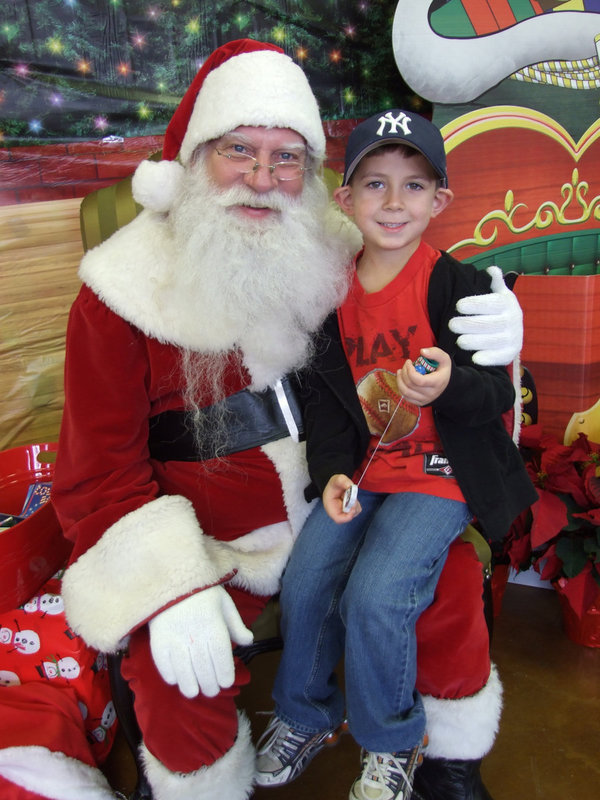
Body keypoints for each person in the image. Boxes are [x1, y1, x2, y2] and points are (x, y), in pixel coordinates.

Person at [46, 40, 525, 800]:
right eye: (240, 150)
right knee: (177, 666)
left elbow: (430, 300)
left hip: (357, 497)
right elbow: (97, 473)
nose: (263, 179)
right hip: (211, 544)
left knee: (446, 585)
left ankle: (445, 758)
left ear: (315, 176)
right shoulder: (118, 293)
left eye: (286, 158)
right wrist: (168, 586)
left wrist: (500, 329)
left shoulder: (342, 246)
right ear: (198, 155)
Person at [255, 110, 537, 800]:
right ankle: (306, 717)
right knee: (307, 576)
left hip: (443, 474)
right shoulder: (331, 296)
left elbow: (500, 397)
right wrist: (331, 475)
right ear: (346, 199)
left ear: (439, 200)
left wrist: (448, 384)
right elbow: (325, 405)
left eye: (413, 187)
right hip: (368, 472)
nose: (393, 203)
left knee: (378, 596)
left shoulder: (461, 287)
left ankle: (392, 742)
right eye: (374, 185)